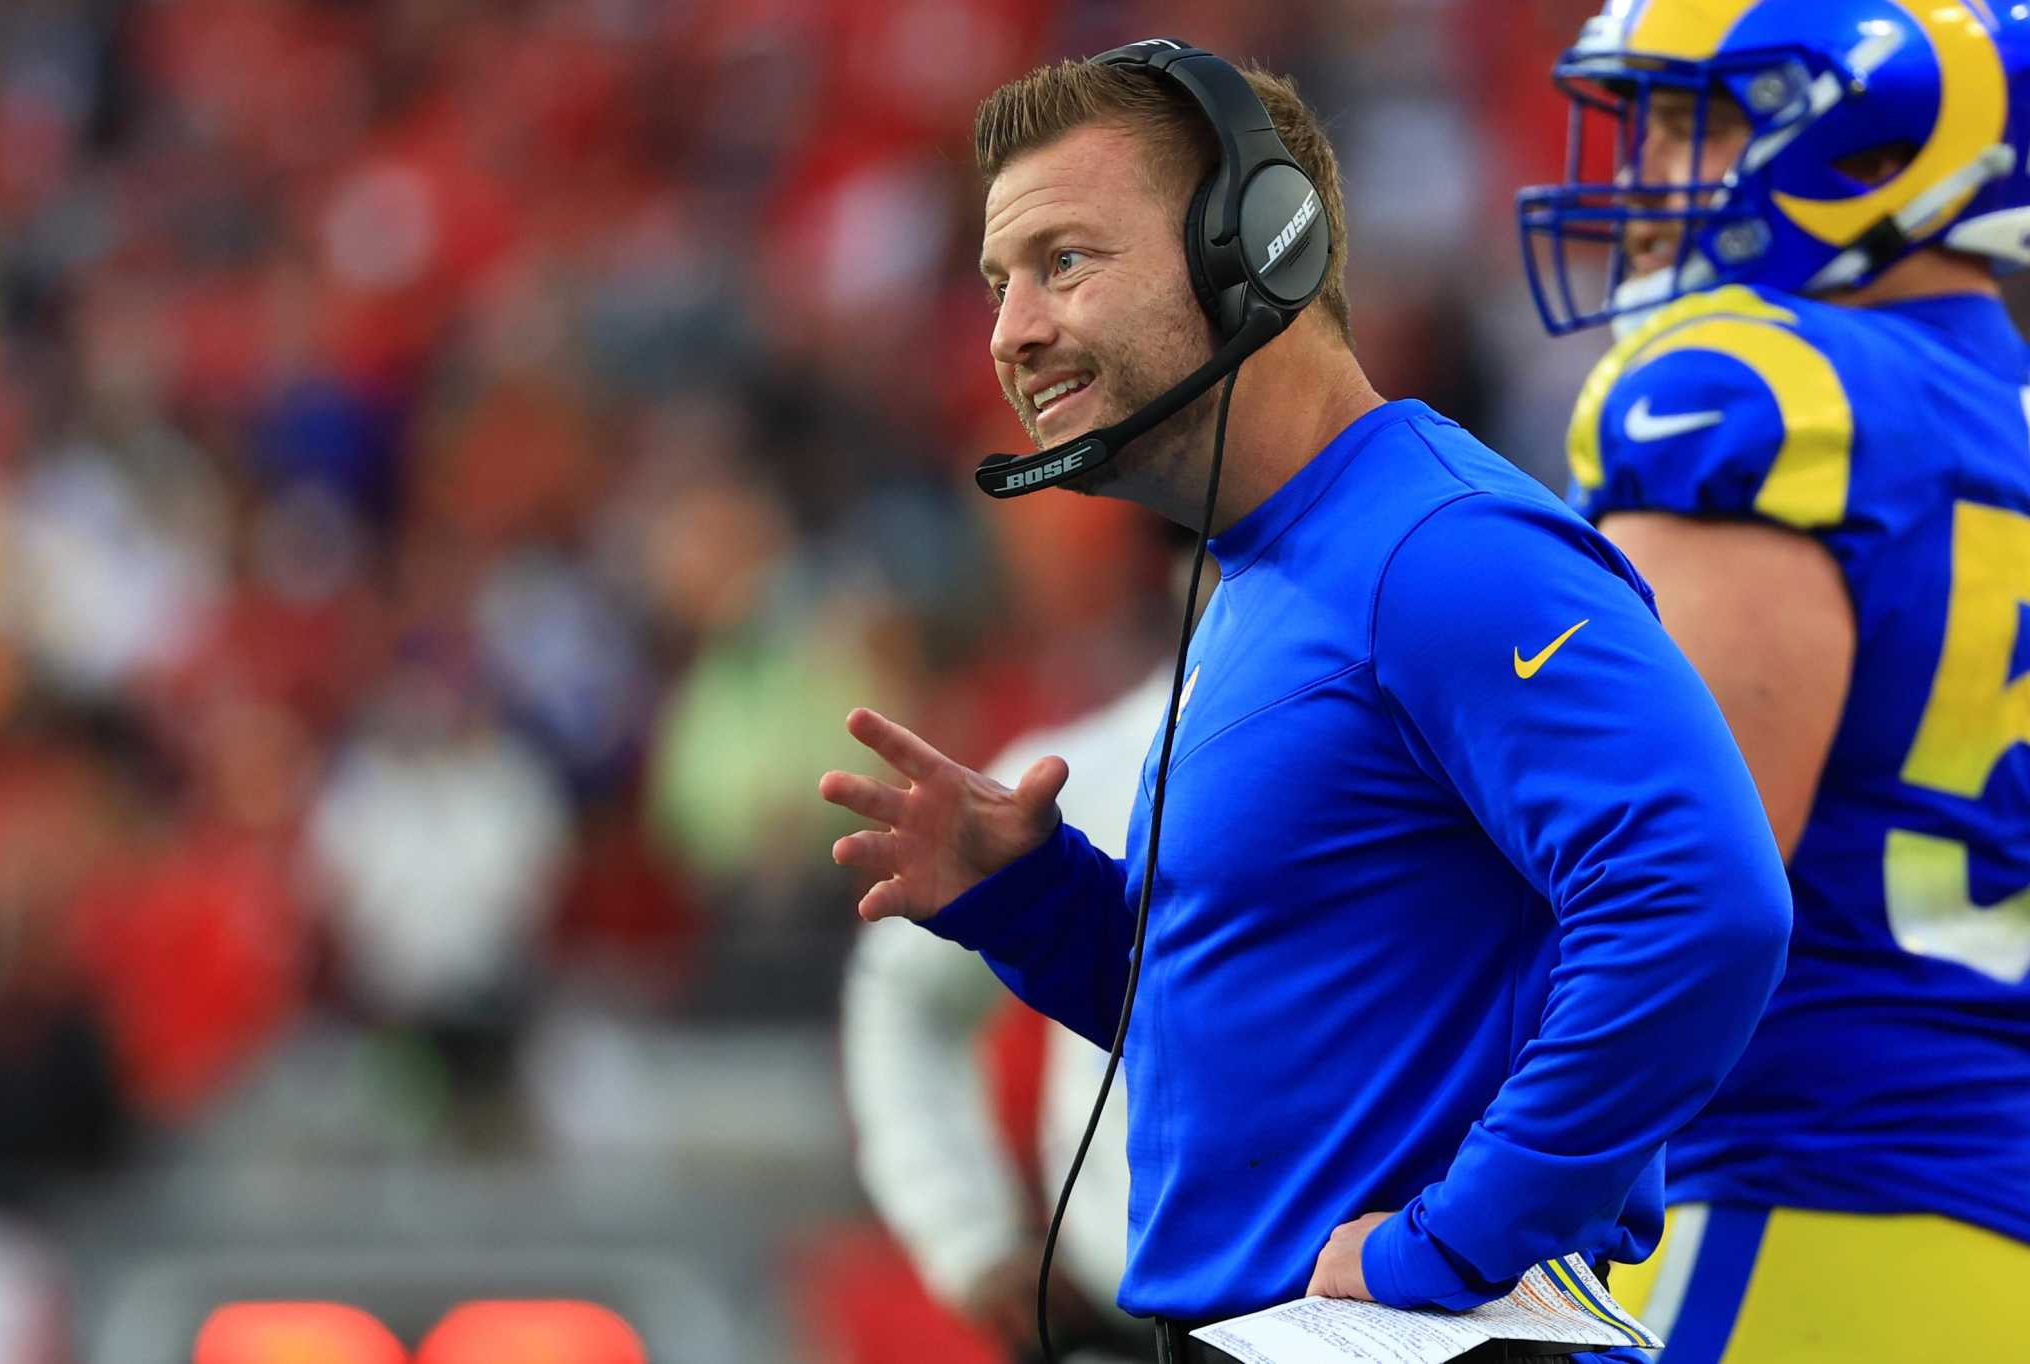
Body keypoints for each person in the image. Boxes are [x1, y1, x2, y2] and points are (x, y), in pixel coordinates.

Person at [819, 42, 1792, 1364]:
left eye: (1065, 261)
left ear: (1254, 248)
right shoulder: (1271, 579)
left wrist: (1457, 1237)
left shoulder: (1443, 546)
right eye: (997, 283)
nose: (1010, 333)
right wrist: (1038, 906)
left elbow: (1704, 903)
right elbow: (1290, 1030)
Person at [1517, 3, 2030, 1359]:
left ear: (1878, 143)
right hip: (1976, 1237)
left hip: (1787, 1215)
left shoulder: (1764, 387)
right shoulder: (2001, 421)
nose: (1640, 180)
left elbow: (1656, 888)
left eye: (1695, 120)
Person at [844, 664, 1168, 1364]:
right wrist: (964, 1231)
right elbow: (902, 995)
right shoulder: (1098, 763)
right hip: (1113, 1329)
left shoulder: (1417, 719)